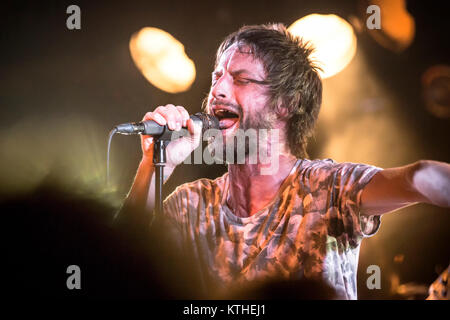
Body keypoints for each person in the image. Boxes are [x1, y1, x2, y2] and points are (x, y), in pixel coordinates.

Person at [116, 24, 450, 299]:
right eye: (217, 76)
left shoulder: (328, 188)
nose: (217, 89)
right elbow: (115, 264)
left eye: (240, 79)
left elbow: (422, 178)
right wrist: (158, 162)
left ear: (286, 104)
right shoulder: (192, 204)